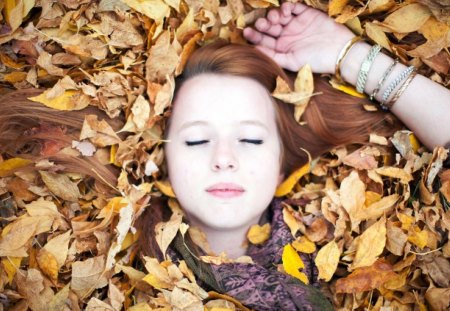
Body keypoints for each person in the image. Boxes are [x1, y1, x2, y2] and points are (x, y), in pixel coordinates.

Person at [1, 2, 449, 310]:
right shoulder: (102, 274)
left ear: (282, 161)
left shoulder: (353, 261)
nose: (224, 158)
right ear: (163, 156)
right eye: (196, 140)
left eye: (251, 140)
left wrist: (350, 57)